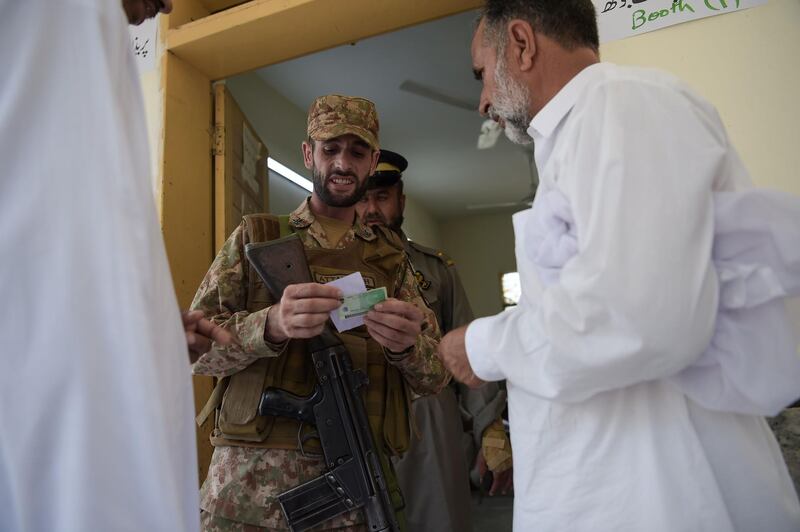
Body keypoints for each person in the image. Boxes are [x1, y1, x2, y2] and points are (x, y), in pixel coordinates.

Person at [437, 1, 800, 530]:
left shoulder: (620, 105)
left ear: (521, 43)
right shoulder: (582, 132)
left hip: (664, 495)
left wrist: (479, 346)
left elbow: (638, 316)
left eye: (482, 73)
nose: (482, 100)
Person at [0, 1, 230, 531]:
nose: (169, 6)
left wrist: (146, 324)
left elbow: (86, 240)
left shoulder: (90, 24)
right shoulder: (51, 19)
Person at [190, 94, 449, 531]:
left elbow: (436, 375)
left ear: (372, 163)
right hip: (244, 497)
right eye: (330, 148)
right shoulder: (257, 238)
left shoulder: (391, 260)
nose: (343, 163)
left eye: (357, 151)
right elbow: (195, 350)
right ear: (309, 154)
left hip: (350, 503)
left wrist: (407, 347)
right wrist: (269, 325)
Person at [355, 150, 512, 531]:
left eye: (382, 197)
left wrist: (490, 430)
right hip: (358, 414)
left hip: (428, 417)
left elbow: (468, 348)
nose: (371, 209)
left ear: (401, 201)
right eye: (363, 198)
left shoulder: (436, 270)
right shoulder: (331, 267)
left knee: (439, 518)